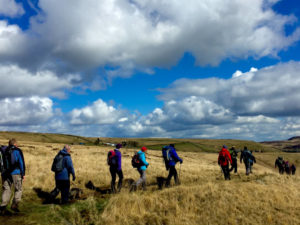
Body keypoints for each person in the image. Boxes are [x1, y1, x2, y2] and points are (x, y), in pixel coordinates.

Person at [0, 139, 25, 213]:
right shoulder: (17, 151)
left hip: (5, 173)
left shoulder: (3, 150)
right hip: (16, 173)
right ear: (15, 144)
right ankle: (14, 205)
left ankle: (2, 206)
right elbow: (21, 163)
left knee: (6, 189)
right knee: (18, 189)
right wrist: (23, 174)